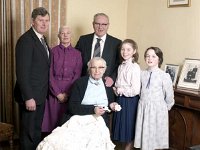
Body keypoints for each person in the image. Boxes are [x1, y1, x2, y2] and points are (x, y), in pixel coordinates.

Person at [14, 7, 50, 150]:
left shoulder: (41, 39)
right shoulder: (26, 40)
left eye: (47, 21)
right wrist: (28, 97)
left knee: (35, 131)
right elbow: (22, 72)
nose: (44, 24)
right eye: (41, 20)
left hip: (40, 95)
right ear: (32, 22)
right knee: (28, 134)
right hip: (30, 97)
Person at [41, 26, 82, 134]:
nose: (65, 35)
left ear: (71, 35)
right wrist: (58, 93)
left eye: (68, 33)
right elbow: (48, 74)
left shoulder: (77, 54)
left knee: (67, 126)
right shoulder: (52, 52)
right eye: (62, 33)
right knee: (52, 124)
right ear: (58, 35)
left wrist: (68, 93)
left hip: (70, 91)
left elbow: (77, 75)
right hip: (54, 90)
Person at [134, 47, 175, 150]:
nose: (150, 58)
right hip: (144, 107)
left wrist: (165, 107)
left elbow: (169, 95)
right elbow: (139, 90)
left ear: (159, 59)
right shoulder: (142, 74)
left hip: (158, 110)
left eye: (153, 56)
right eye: (147, 56)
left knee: (155, 134)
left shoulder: (164, 76)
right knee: (145, 133)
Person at [61, 57, 120, 127]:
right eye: (93, 67)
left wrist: (112, 106)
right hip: (80, 120)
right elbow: (72, 107)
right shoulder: (80, 83)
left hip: (100, 122)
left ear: (105, 69)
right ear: (89, 69)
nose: (97, 71)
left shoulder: (108, 85)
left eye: (101, 67)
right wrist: (93, 110)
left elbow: (108, 108)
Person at [75, 13, 122, 87]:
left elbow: (120, 64)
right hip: (85, 83)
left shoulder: (116, 43)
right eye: (97, 24)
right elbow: (75, 61)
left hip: (106, 84)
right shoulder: (83, 40)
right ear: (93, 24)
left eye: (104, 24)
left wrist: (113, 78)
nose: (100, 27)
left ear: (108, 25)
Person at [112, 39, 141, 150]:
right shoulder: (121, 66)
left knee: (129, 128)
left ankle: (128, 148)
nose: (125, 52)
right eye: (123, 49)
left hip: (130, 101)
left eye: (128, 49)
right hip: (120, 100)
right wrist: (116, 89)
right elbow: (118, 83)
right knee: (121, 129)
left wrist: (121, 90)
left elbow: (135, 90)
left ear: (134, 51)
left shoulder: (134, 67)